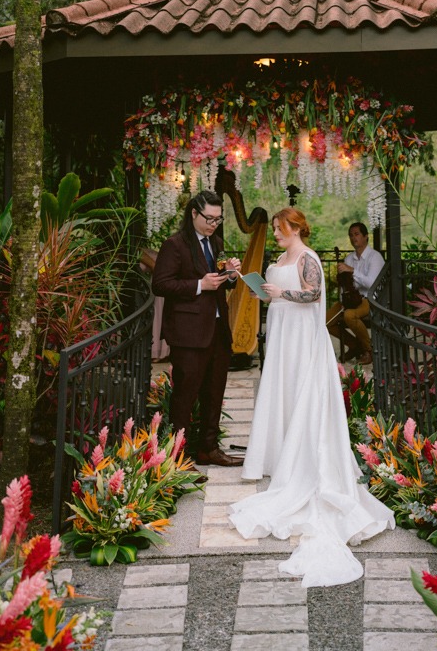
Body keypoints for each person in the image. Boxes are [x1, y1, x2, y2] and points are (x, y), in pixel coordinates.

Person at [229, 207, 394, 587]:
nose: (275, 234)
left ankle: (302, 461)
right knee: (283, 393)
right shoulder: (279, 258)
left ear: (296, 228)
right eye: (273, 229)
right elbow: (278, 297)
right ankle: (282, 451)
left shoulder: (308, 258)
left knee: (303, 395)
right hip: (285, 333)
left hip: (303, 337)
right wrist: (260, 288)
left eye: (279, 228)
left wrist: (279, 291)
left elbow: (313, 293)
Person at [151, 189, 243, 467]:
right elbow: (161, 284)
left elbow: (221, 281)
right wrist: (200, 285)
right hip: (188, 333)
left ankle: (209, 448)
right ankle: (179, 458)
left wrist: (231, 275)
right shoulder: (175, 244)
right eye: (209, 218)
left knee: (215, 392)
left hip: (216, 329)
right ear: (193, 213)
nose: (214, 224)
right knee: (185, 397)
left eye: (218, 219)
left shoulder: (215, 242)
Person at [325, 221, 384, 365]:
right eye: (351, 235)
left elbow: (371, 284)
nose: (353, 238)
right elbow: (346, 285)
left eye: (356, 234)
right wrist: (343, 298)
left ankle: (369, 350)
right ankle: (355, 346)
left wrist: (352, 271)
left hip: (369, 299)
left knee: (349, 316)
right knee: (326, 322)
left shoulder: (375, 257)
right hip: (350, 299)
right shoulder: (349, 258)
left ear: (366, 236)